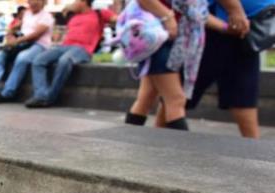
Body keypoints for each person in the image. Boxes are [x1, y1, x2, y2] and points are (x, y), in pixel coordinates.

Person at [187, 0, 268, 138]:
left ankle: (255, 152)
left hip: (243, 25)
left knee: (244, 98)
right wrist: (235, 11)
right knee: (177, 97)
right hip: (223, 24)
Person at [124, 0, 209, 131]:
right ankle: (182, 150)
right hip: (158, 37)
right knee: (175, 100)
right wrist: (168, 17)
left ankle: (127, 140)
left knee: (146, 98)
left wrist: (228, 26)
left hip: (171, 38)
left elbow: (200, 15)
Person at [25, 0, 116, 108]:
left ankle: (49, 98)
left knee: (64, 61)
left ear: (83, 2)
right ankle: (41, 95)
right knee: (38, 60)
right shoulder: (73, 16)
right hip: (64, 46)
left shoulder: (99, 13)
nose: (73, 3)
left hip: (83, 48)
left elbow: (117, 19)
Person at [0, 0, 55, 103]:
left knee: (22, 58)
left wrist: (16, 41)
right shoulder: (27, 14)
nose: (32, 3)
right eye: (30, 1)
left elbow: (35, 35)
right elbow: (15, 27)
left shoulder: (47, 17)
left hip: (39, 45)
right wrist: (9, 36)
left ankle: (7, 93)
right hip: (22, 42)